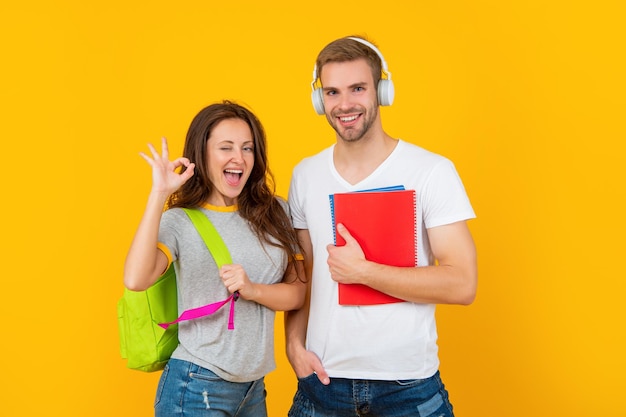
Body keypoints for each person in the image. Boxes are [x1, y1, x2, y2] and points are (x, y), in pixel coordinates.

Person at [285, 36, 477, 417]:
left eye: (358, 88)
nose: (345, 104)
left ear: (381, 91)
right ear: (319, 99)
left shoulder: (431, 172)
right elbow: (301, 273)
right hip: (323, 384)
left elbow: (462, 283)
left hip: (407, 386)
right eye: (333, 92)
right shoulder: (305, 175)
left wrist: (363, 272)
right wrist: (293, 344)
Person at [123, 100, 306, 417]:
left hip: (252, 389)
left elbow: (297, 293)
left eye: (247, 148)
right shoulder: (181, 221)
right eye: (226, 148)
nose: (239, 158)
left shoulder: (276, 211)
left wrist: (253, 289)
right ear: (202, 154)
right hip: (195, 386)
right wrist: (159, 195)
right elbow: (135, 279)